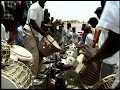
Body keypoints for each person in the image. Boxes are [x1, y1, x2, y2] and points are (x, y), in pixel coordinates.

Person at [81, 1, 120, 89]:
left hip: (110, 60)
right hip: (107, 59)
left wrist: (94, 57)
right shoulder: (102, 25)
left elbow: (114, 42)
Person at [23, 1, 49, 77]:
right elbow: (32, 22)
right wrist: (42, 32)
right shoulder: (35, 7)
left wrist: (47, 31)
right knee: (34, 56)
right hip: (29, 32)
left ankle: (36, 75)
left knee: (40, 54)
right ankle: (32, 78)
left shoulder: (41, 9)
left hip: (34, 34)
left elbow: (40, 24)